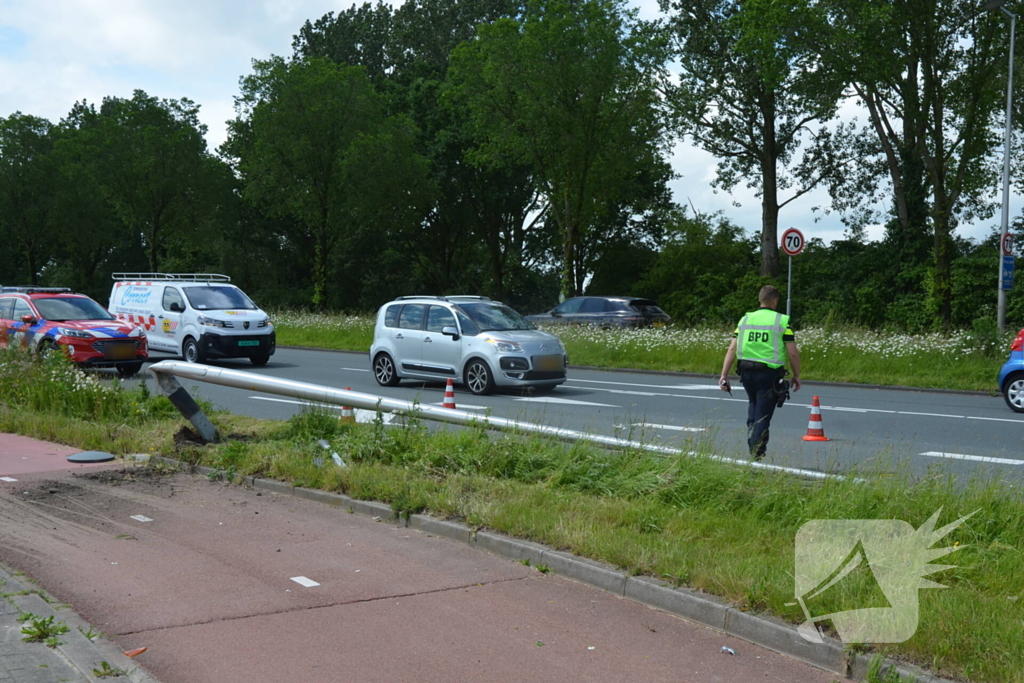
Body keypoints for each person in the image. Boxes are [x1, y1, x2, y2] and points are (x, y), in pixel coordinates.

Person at [719, 285, 802, 460]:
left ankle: (752, 433)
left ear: (760, 299)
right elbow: (793, 352)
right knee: (763, 414)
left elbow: (732, 349)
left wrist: (723, 375)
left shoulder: (745, 320)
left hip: (746, 372)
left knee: (754, 403)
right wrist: (796, 375)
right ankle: (756, 453)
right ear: (775, 301)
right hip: (769, 374)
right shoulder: (781, 321)